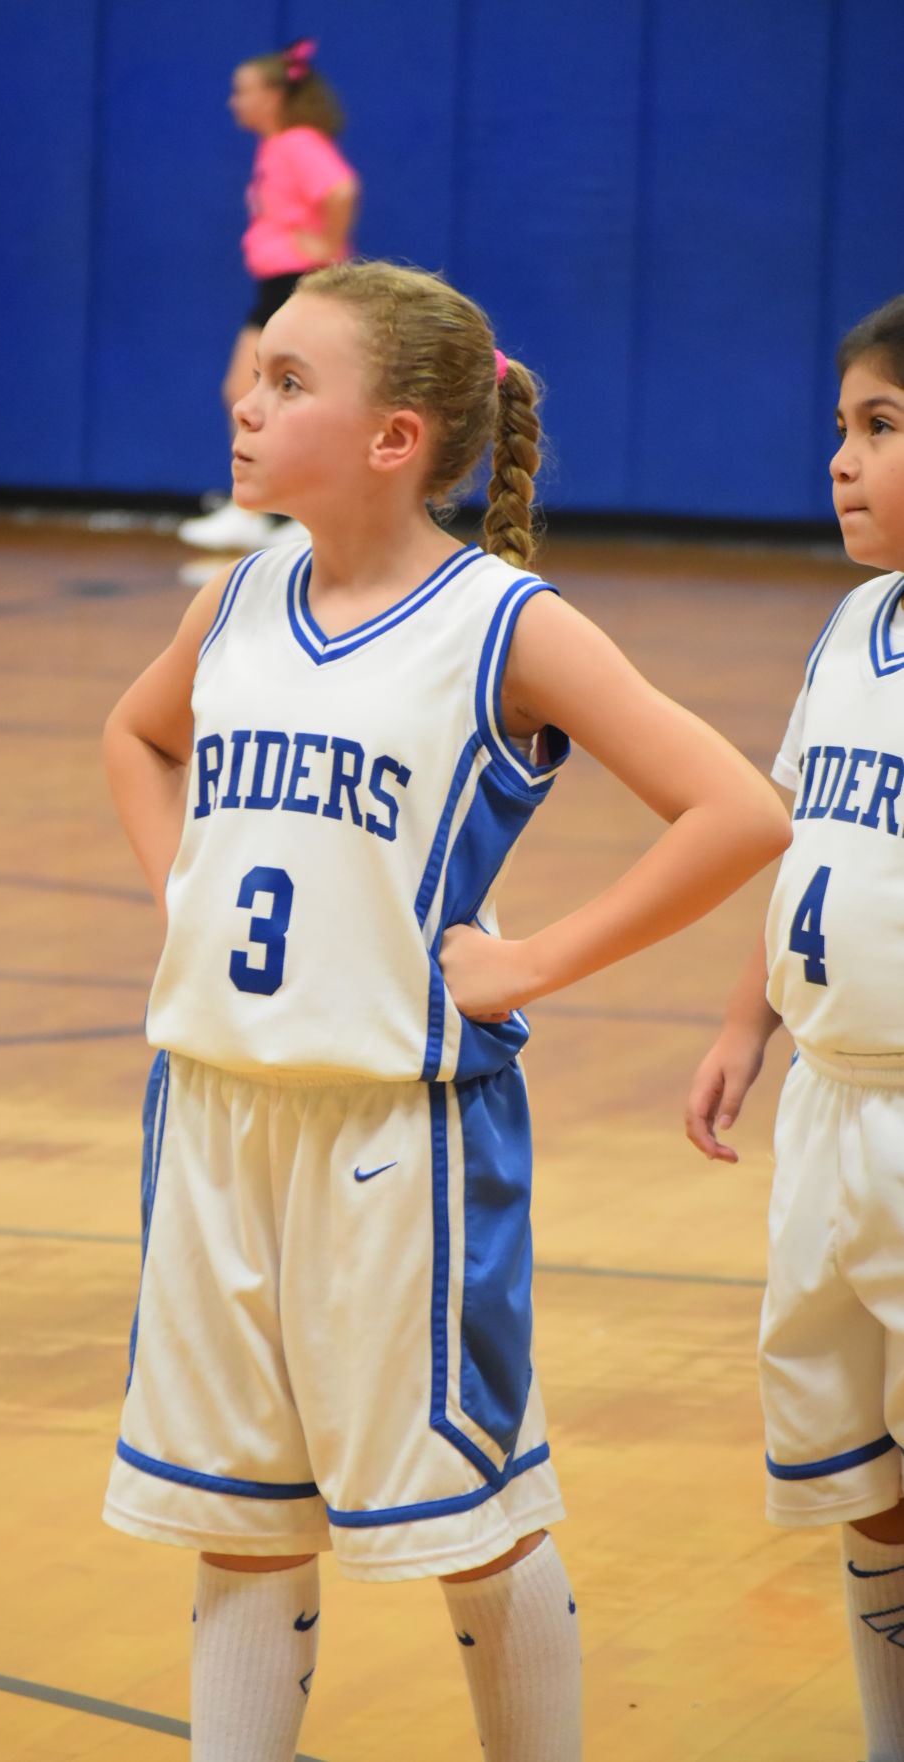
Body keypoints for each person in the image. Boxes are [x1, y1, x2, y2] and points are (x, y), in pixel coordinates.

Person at [103, 259, 789, 1762]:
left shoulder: (500, 624)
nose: (244, 401)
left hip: (397, 1139)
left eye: (287, 380)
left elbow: (736, 810)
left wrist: (530, 964)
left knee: (467, 1521)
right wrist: (185, 896)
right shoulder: (239, 598)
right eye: (255, 373)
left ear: (393, 438)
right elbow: (136, 737)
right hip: (208, 1114)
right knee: (238, 1517)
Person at [686, 292, 904, 1762]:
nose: (838, 459)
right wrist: (742, 1022)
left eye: (878, 427)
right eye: (838, 427)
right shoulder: (847, 626)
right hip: (827, 1109)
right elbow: (795, 838)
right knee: (857, 1474)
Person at [178, 38, 358, 554]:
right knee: (247, 390)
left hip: (298, 282)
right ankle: (259, 510)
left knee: (267, 392)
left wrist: (326, 247)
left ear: (275, 96)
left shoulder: (298, 142)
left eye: (243, 91)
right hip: (279, 284)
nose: (234, 101)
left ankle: (293, 511)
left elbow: (340, 189)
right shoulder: (277, 145)